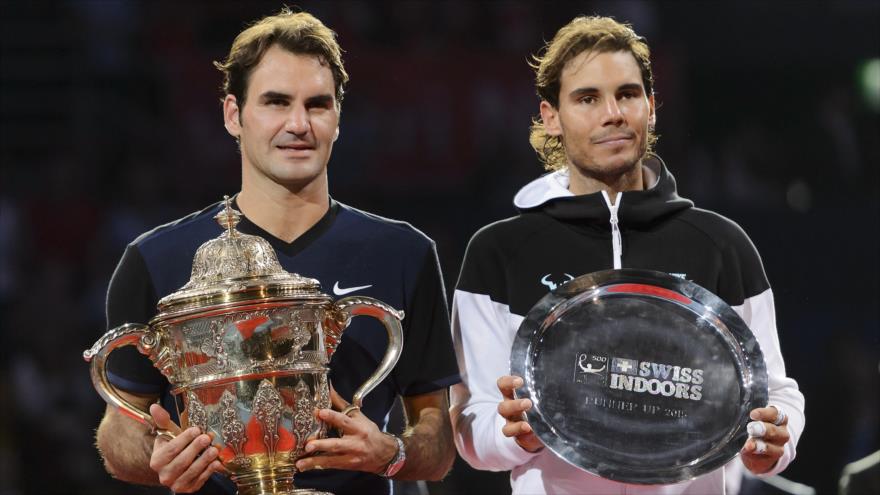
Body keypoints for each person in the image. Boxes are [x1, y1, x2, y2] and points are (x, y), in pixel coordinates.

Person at [94, 9, 459, 495]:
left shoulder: (404, 252)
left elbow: (436, 440)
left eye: (318, 104)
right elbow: (118, 432)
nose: (298, 123)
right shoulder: (156, 259)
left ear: (337, 118)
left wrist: (392, 453)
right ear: (233, 115)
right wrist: (155, 457)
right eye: (275, 102)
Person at [449, 15, 805, 494]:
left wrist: (775, 443)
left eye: (628, 94)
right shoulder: (499, 252)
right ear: (551, 116)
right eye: (588, 98)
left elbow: (774, 392)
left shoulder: (722, 244)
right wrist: (515, 436)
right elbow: (473, 425)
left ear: (652, 108)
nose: (612, 113)